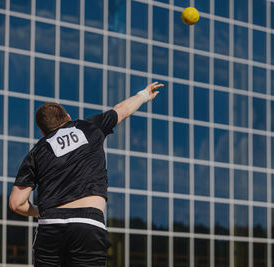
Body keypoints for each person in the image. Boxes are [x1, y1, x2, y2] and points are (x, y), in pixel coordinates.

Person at [9, 81, 164, 266]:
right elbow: (121, 110)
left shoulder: (36, 152)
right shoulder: (89, 127)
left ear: (43, 131)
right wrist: (144, 95)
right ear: (68, 117)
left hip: (50, 225)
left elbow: (16, 203)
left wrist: (39, 212)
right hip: (87, 224)